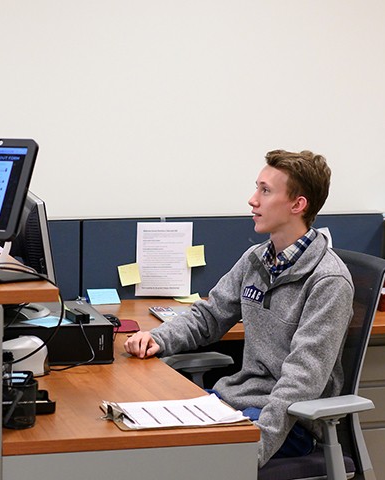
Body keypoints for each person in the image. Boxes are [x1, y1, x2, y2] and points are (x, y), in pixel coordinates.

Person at [125, 149, 353, 467]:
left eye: (265, 190)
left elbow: (300, 382)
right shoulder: (257, 259)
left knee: (181, 460)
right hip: (236, 401)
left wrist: (255, 447)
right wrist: (159, 338)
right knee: (148, 439)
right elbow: (211, 315)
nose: (252, 200)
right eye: (256, 187)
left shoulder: (328, 280)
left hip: (288, 423)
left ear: (297, 205)